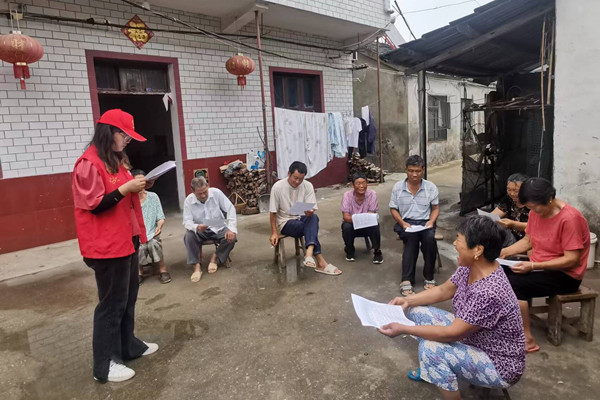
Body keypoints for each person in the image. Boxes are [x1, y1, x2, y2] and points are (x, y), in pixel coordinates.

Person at [379, 216, 525, 400]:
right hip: (474, 337)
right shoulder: (472, 265)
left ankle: (435, 367)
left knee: (430, 350)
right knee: (415, 311)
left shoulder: (488, 291)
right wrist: (407, 300)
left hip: (497, 362)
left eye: (459, 239)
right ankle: (431, 369)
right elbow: (444, 290)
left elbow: (451, 334)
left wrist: (403, 329)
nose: (454, 243)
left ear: (477, 250)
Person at [72, 109, 158, 383]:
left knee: (128, 298)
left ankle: (127, 346)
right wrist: (125, 189)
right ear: (109, 132)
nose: (128, 141)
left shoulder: (116, 161)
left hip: (125, 239)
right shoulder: (88, 163)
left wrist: (139, 185)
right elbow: (95, 205)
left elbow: (122, 193)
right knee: (111, 304)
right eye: (125, 135)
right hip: (106, 246)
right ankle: (105, 364)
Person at [500, 177, 590, 353]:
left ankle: (527, 339)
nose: (532, 211)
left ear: (548, 199)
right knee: (497, 270)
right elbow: (528, 241)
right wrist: (503, 253)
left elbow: (572, 260)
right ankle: (507, 323)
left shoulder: (570, 219)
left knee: (514, 284)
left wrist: (533, 266)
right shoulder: (536, 213)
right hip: (539, 264)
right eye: (529, 207)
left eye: (534, 207)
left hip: (565, 275)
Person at [269, 161, 342, 276]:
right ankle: (319, 260)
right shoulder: (278, 187)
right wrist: (274, 232)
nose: (297, 182)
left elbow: (311, 208)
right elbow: (273, 212)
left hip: (302, 217)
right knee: (310, 228)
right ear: (289, 174)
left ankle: (309, 253)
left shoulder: (307, 186)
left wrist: (309, 212)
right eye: (295, 178)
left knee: (314, 218)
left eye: (301, 179)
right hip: (286, 222)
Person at [390, 155, 439, 296]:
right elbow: (393, 209)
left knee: (429, 239)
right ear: (406, 170)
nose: (414, 174)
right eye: (411, 171)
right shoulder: (398, 187)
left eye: (417, 171)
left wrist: (431, 221)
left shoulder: (430, 187)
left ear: (423, 170)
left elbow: (435, 208)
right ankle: (406, 279)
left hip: (425, 222)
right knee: (411, 240)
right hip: (405, 222)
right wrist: (402, 223)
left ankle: (429, 276)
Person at [183, 176, 237, 282]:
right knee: (188, 236)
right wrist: (196, 227)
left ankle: (215, 258)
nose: (203, 195)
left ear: (207, 186)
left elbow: (230, 209)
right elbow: (187, 221)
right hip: (200, 227)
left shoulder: (216, 193)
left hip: (217, 224)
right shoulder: (188, 200)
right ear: (193, 191)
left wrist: (231, 229)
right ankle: (196, 266)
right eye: (199, 194)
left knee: (232, 237)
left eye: (205, 192)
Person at [130, 169, 171, 285]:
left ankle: (162, 269)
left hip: (152, 232)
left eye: (143, 181)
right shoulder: (129, 200)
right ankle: (139, 272)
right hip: (137, 235)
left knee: (154, 243)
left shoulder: (153, 197)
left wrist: (159, 226)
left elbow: (161, 217)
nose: (141, 184)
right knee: (139, 247)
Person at [341, 172, 383, 263]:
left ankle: (377, 252)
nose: (361, 186)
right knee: (346, 226)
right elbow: (346, 217)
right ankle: (349, 251)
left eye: (364, 183)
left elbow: (371, 214)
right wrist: (362, 219)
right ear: (352, 185)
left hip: (367, 226)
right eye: (358, 183)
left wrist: (358, 219)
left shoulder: (372, 194)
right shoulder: (347, 195)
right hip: (352, 225)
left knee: (375, 224)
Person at [491, 173, 530, 247]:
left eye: (516, 190)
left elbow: (535, 226)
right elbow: (494, 214)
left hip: (529, 238)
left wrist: (513, 224)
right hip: (512, 236)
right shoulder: (509, 200)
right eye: (508, 189)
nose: (512, 193)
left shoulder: (533, 204)